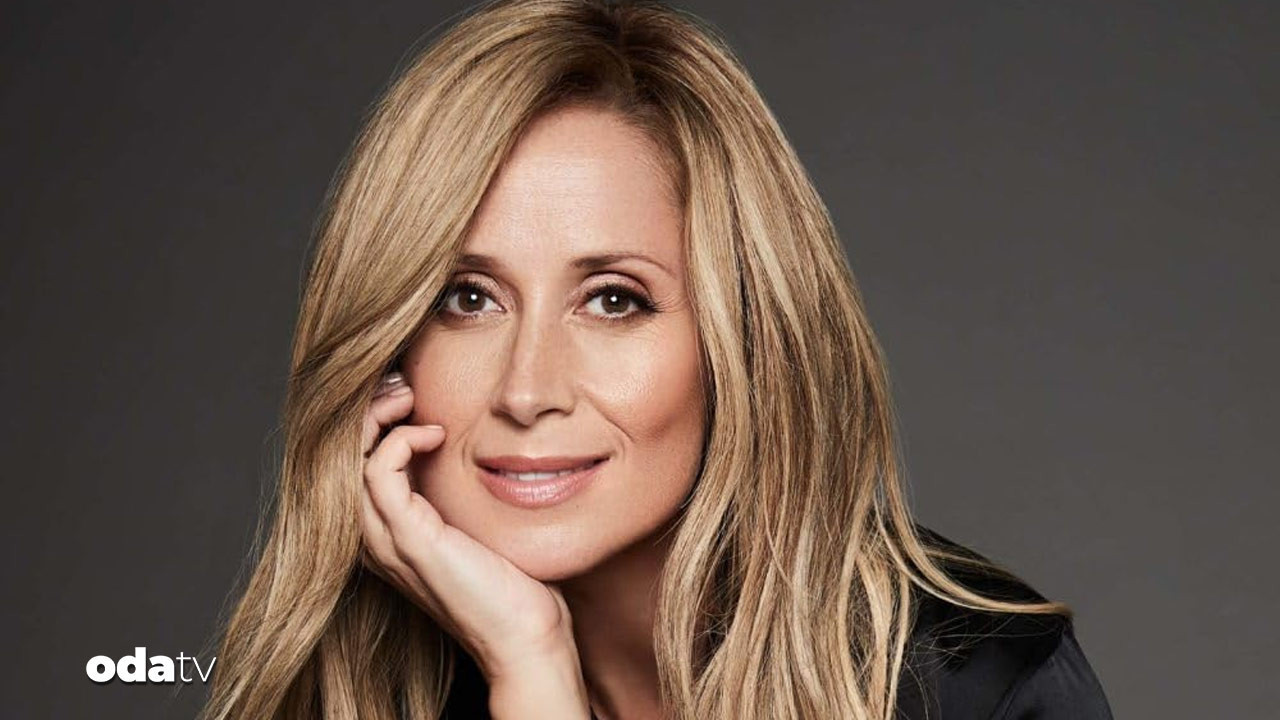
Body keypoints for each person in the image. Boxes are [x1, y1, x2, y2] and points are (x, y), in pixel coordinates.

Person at [200, 1, 1114, 718]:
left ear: (742, 337)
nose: (527, 389)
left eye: (613, 300)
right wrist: (529, 659)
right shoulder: (356, 691)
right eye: (467, 299)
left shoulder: (979, 689)